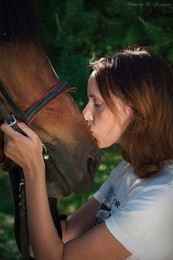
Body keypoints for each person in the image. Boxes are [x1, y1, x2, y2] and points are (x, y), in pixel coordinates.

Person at [1, 45, 173, 260]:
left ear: (137, 107)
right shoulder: (128, 171)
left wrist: (33, 167)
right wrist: (40, 161)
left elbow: (55, 257)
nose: (85, 115)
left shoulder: (162, 197)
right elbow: (64, 235)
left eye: (97, 104)